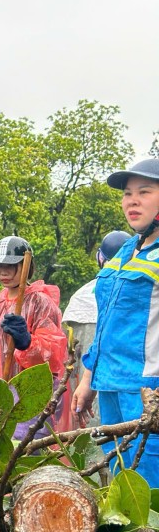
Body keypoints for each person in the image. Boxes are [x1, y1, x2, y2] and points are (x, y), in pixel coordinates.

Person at [74, 159, 159, 486]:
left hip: (147, 388)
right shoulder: (125, 250)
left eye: (144, 191)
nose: (132, 200)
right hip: (109, 384)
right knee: (120, 478)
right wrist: (87, 380)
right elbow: (105, 322)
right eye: (127, 193)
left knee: (148, 481)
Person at [0, 237, 68, 437]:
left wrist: (27, 343)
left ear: (25, 266)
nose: (3, 272)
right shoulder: (0, 303)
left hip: (31, 389)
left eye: (10, 265)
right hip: (5, 386)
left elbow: (54, 351)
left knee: (26, 446)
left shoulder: (40, 302)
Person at [61, 230, 132, 429]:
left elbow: (69, 355)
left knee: (93, 442)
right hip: (126, 385)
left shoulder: (80, 297)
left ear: (100, 257)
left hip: (85, 388)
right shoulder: (138, 289)